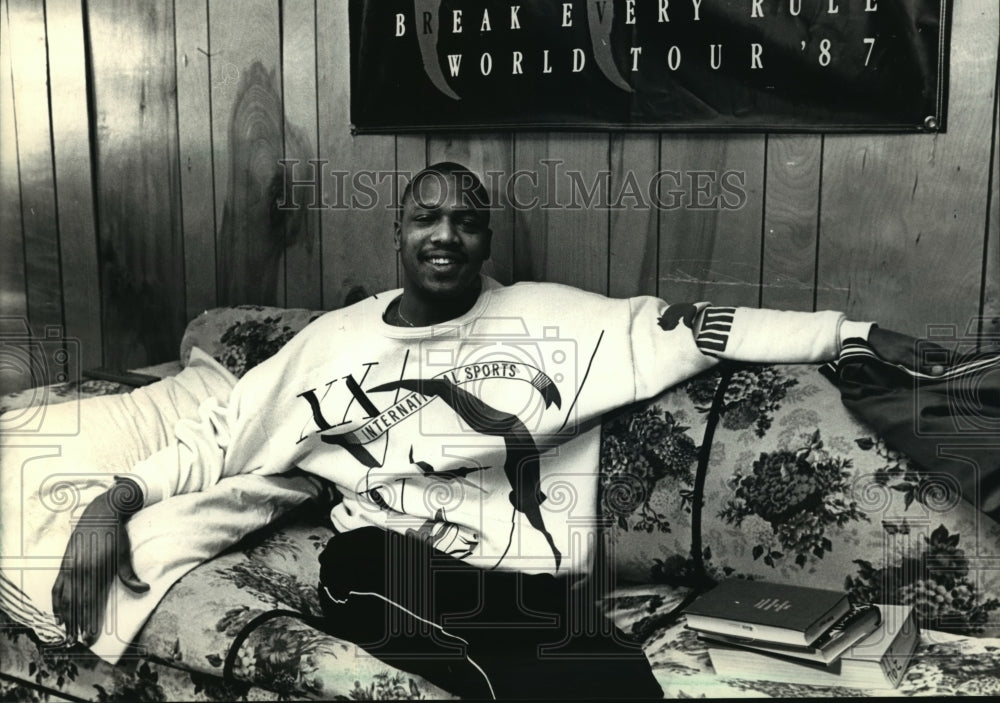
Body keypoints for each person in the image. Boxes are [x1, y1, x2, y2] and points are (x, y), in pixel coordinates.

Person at [52, 162, 943, 699]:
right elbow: (218, 432)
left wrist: (854, 334)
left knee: (606, 674)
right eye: (427, 218)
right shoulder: (330, 344)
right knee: (432, 612)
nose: (446, 236)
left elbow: (702, 324)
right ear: (398, 230)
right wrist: (109, 505)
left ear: (485, 239)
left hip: (531, 586)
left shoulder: (555, 318)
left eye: (466, 222)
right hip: (387, 564)